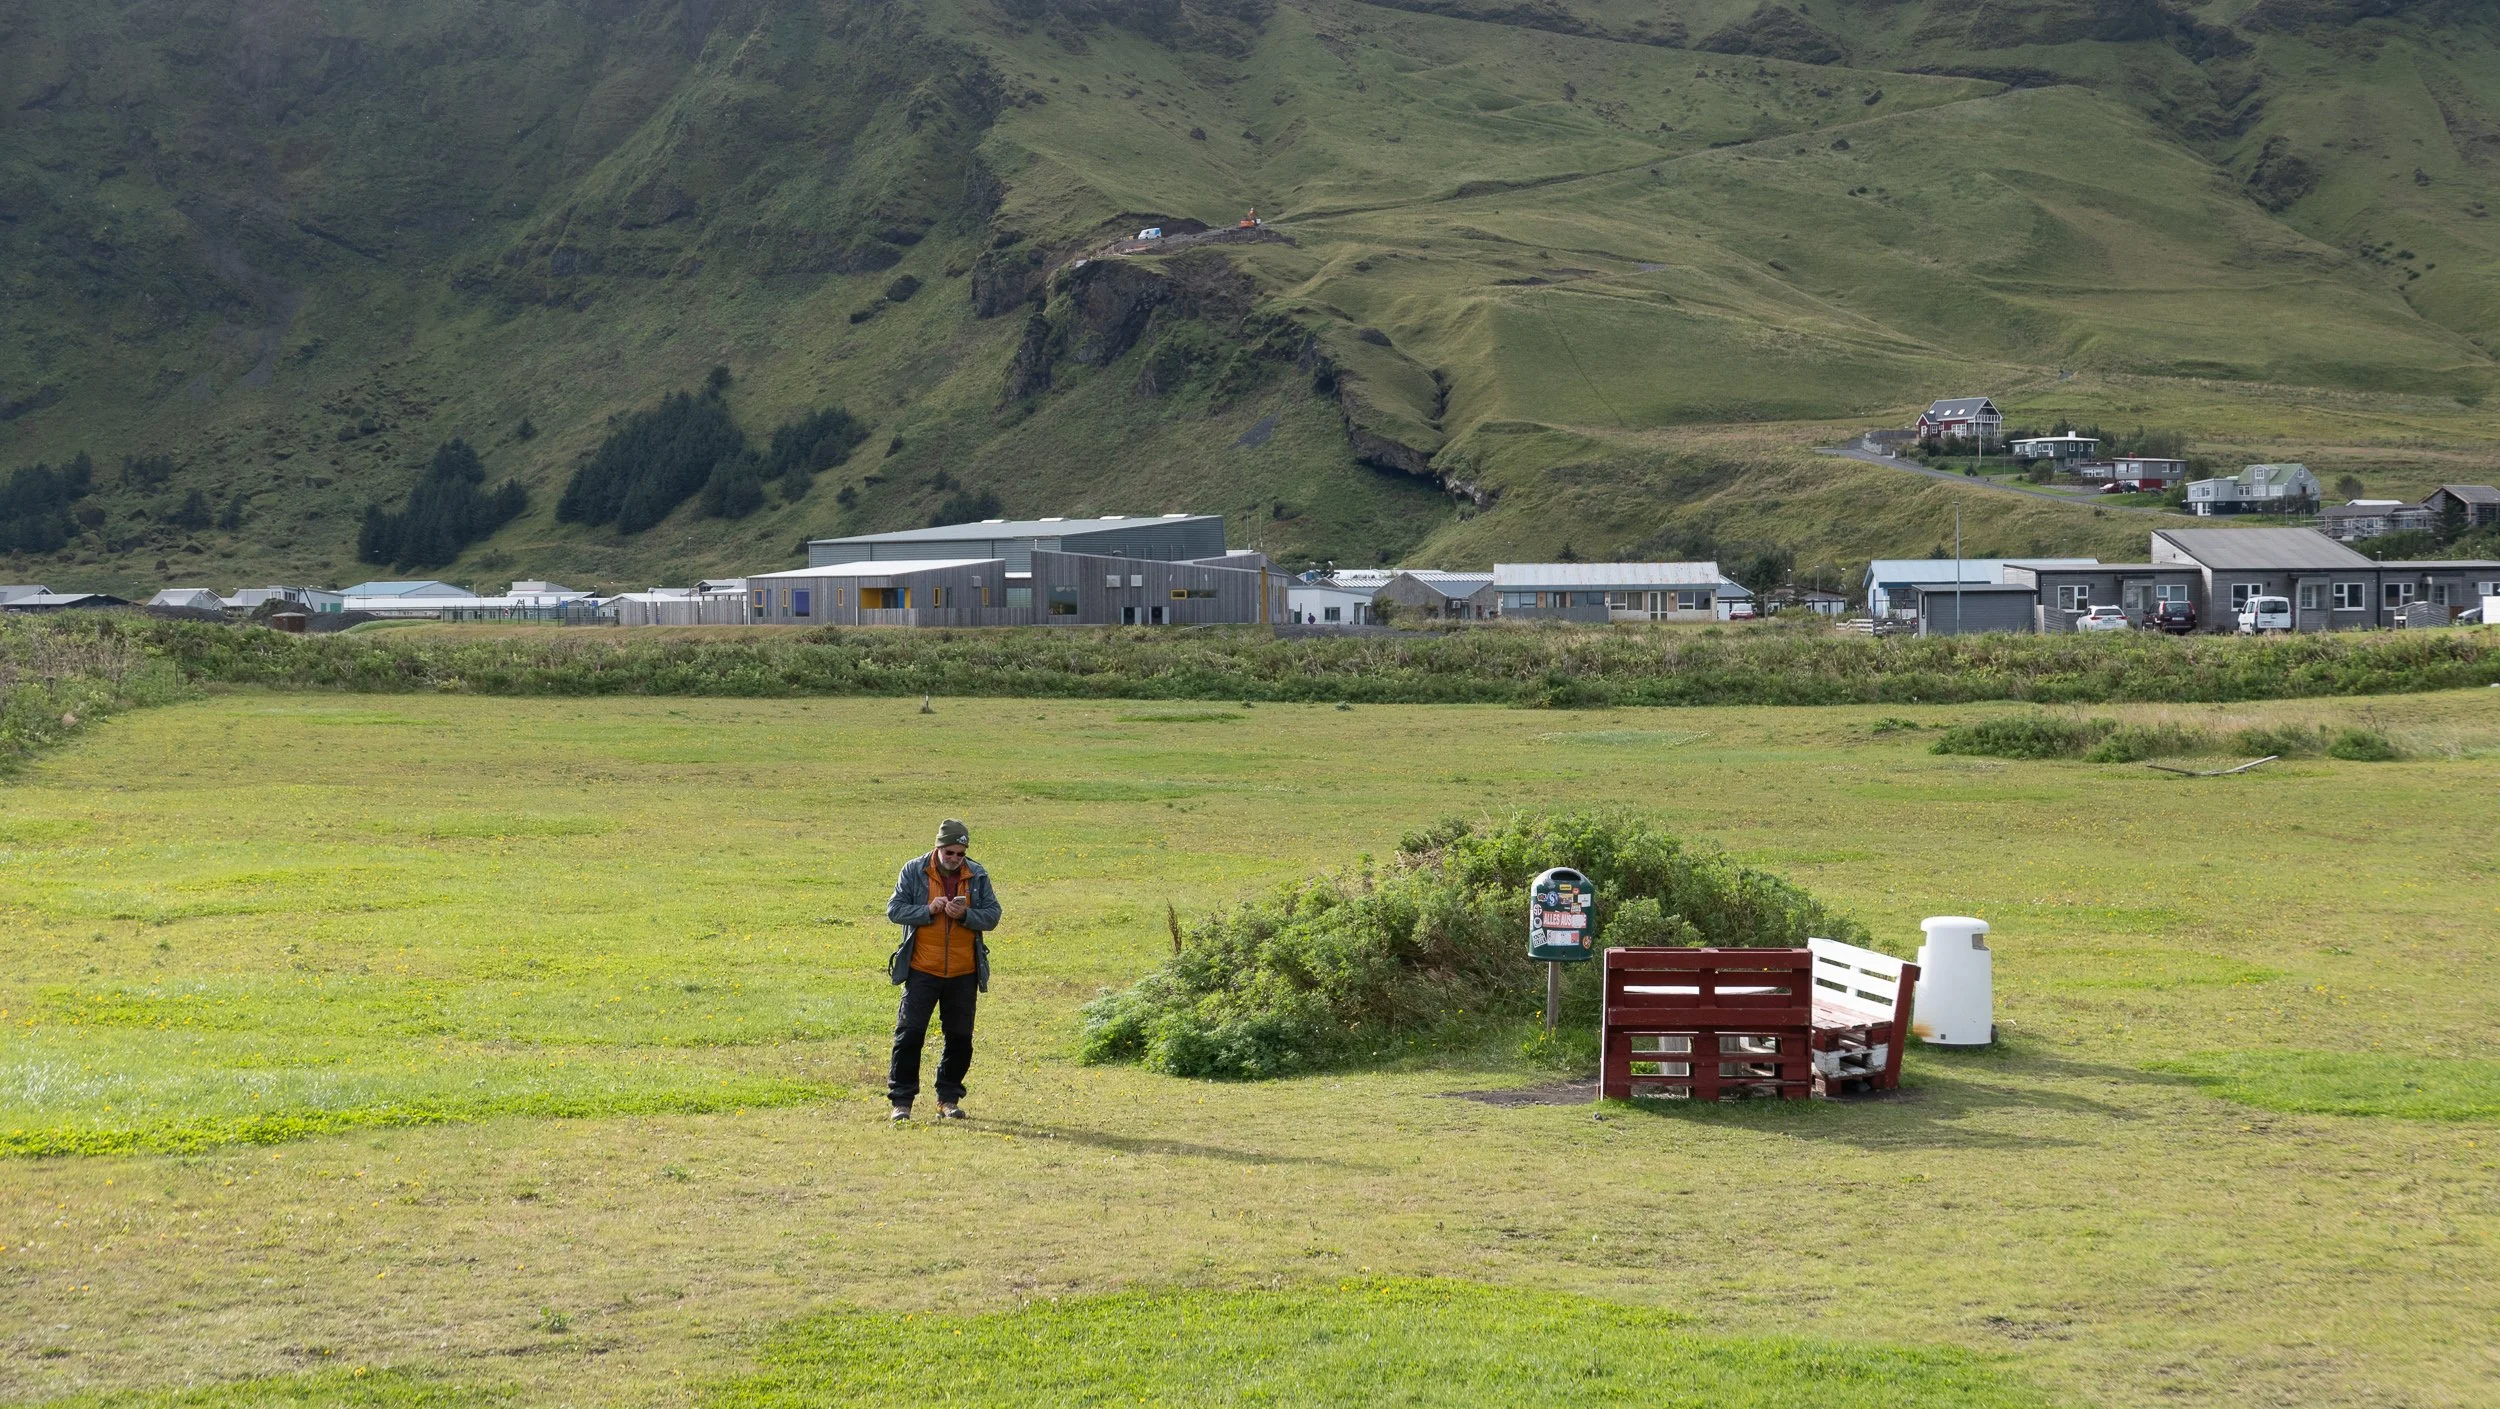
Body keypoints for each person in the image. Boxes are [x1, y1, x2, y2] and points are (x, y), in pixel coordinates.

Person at [884, 818, 1001, 1121]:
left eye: (960, 853)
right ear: (938, 848)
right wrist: (928, 910)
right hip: (922, 968)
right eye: (949, 852)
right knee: (909, 1035)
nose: (955, 859)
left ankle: (947, 1099)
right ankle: (902, 1103)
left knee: (960, 1038)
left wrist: (966, 915)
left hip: (964, 972)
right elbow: (894, 909)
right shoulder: (914, 870)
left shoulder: (978, 874)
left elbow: (992, 915)